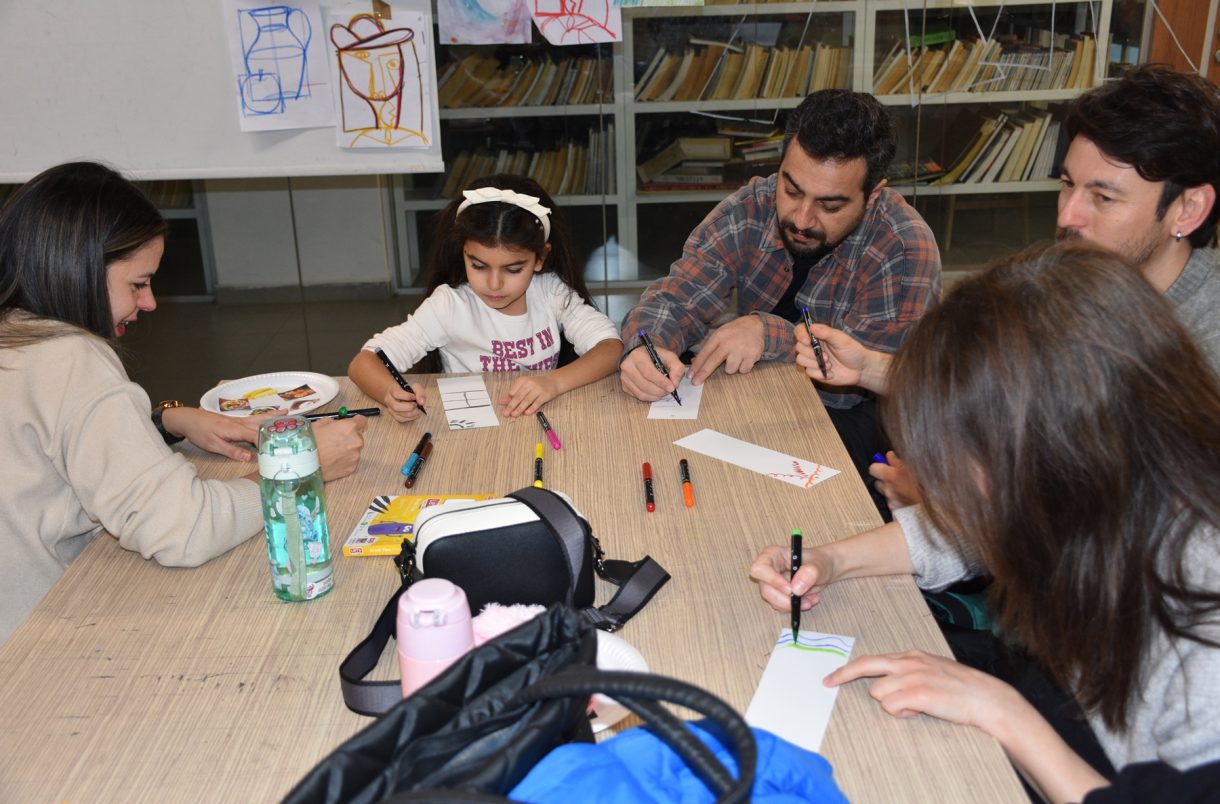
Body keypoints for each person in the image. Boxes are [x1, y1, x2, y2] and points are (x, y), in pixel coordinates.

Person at [751, 242, 1220, 803]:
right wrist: (830, 560)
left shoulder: (1202, 622)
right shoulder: (1109, 481)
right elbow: (965, 535)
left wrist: (1002, 712)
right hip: (1056, 701)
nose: (948, 485)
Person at [0, 162, 367, 644]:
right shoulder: (70, 357)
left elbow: (46, 442)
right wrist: (300, 468)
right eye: (137, 284)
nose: (149, 302)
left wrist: (166, 421)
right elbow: (184, 530)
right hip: (31, 646)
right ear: (77, 269)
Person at [618, 89, 941, 498]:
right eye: (792, 190)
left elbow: (849, 386)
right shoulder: (752, 205)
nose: (802, 219)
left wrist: (767, 333)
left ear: (873, 194)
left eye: (830, 206)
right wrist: (646, 347)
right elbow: (676, 298)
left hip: (861, 420)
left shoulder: (904, 250)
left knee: (746, 493)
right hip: (764, 396)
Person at [349, 175, 622, 420]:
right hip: (469, 431)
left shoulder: (551, 292)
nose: (494, 284)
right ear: (463, 253)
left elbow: (610, 348)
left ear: (540, 258)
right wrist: (390, 393)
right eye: (478, 266)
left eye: (513, 269)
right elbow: (363, 363)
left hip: (536, 421)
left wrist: (554, 382)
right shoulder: (449, 306)